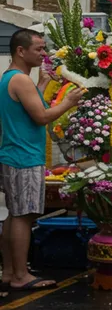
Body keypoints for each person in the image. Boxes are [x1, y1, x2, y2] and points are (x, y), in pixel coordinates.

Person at [0, 29, 82, 292]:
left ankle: (10, 271)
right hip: (23, 156)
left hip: (15, 154)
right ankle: (20, 275)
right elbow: (42, 117)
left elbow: (30, 108)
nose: (44, 54)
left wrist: (43, 84)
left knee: (15, 214)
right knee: (24, 216)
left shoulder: (12, 78)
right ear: (20, 51)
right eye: (39, 49)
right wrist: (69, 102)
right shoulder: (20, 80)